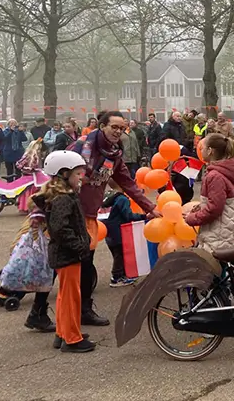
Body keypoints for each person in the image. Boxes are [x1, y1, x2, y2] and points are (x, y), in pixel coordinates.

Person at [70, 111, 158, 326]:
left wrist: (150, 208)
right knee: (64, 262)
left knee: (82, 262)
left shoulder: (115, 154)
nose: (119, 131)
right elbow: (60, 176)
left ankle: (82, 310)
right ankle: (47, 311)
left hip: (89, 214)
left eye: (122, 128)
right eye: (114, 127)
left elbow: (128, 184)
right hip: (70, 213)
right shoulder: (81, 147)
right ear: (102, 126)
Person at [40, 151, 96, 352]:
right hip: (68, 254)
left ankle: (62, 333)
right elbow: (60, 229)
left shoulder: (65, 196)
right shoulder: (63, 199)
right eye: (77, 174)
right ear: (64, 174)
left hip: (66, 254)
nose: (81, 178)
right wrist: (80, 245)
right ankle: (72, 338)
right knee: (72, 297)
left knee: (65, 295)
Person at [185, 133, 234, 252]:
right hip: (226, 235)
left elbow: (214, 209)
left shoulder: (215, 176)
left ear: (210, 151)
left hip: (217, 239)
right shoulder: (223, 172)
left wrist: (192, 218)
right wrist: (201, 207)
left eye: (203, 148)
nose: (200, 151)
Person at [102, 179, 146, 287]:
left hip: (107, 230)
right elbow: (128, 216)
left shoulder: (107, 196)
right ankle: (116, 277)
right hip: (119, 231)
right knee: (120, 254)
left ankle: (123, 274)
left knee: (116, 253)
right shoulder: (122, 199)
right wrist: (142, 216)